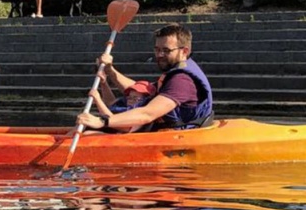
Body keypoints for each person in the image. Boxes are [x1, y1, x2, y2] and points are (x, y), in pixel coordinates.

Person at [77, 23, 213, 132]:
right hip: (158, 130)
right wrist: (110, 71)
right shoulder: (176, 72)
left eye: (166, 50)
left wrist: (102, 121)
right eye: (157, 49)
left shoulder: (182, 81)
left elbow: (148, 114)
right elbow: (139, 89)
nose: (159, 55)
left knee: (90, 133)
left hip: (174, 136)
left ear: (184, 51)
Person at [89, 79, 156, 133]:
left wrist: (98, 100)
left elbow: (112, 120)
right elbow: (110, 103)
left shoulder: (142, 113)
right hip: (114, 135)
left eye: (135, 98)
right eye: (129, 97)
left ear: (146, 99)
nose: (131, 100)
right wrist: (103, 83)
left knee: (89, 134)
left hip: (127, 140)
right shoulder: (124, 105)